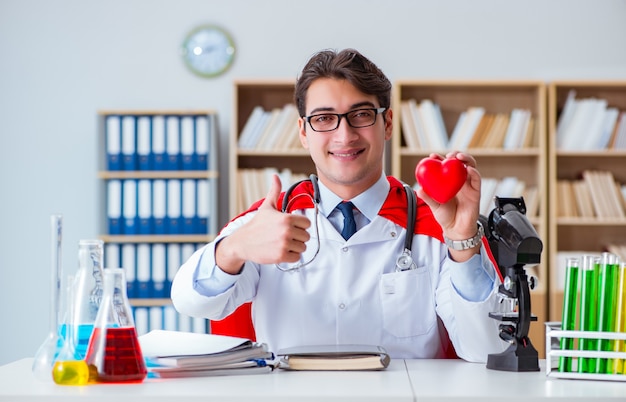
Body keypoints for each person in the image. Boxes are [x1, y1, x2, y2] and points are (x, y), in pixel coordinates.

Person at [172, 48, 508, 362]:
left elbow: (490, 347)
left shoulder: (435, 225)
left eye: (361, 115)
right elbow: (192, 301)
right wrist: (234, 249)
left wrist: (463, 239)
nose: (344, 135)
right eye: (323, 118)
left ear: (387, 123)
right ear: (303, 131)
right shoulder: (268, 222)